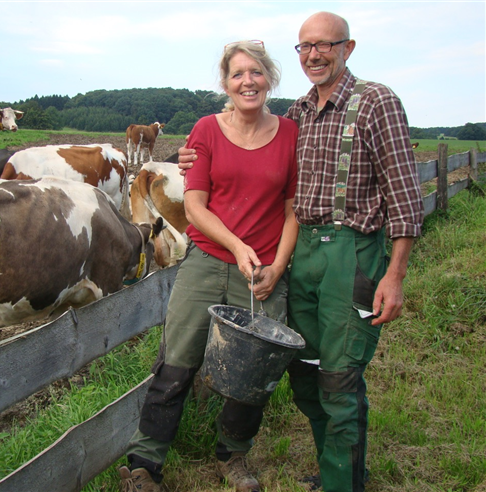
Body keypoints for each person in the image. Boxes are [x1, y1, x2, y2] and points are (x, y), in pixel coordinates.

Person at [179, 11, 424, 492]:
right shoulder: (299, 112)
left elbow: (405, 197)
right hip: (304, 252)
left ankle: (342, 483)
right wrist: (187, 157)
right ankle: (337, 467)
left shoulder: (377, 102)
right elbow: (252, 151)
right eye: (305, 46)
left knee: (340, 375)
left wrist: (394, 276)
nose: (314, 54)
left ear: (347, 48)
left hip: (351, 252)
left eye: (325, 45)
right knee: (307, 373)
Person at [119, 40, 299, 492]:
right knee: (177, 360)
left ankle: (232, 456)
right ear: (226, 83)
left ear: (269, 79)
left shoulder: (291, 134)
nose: (248, 82)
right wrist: (238, 247)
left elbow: (293, 209)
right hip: (209, 259)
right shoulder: (206, 130)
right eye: (238, 74)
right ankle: (145, 463)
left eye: (256, 73)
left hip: (263, 272)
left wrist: (277, 266)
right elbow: (196, 207)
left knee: (253, 368)